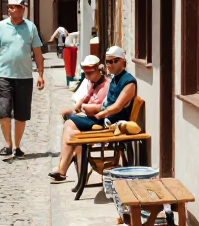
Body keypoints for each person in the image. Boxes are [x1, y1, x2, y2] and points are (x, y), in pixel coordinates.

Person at [49, 46, 136, 181]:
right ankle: (72, 162)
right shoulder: (115, 78)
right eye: (108, 61)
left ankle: (70, 164)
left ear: (123, 61)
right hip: (105, 116)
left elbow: (117, 107)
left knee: (70, 124)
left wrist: (99, 114)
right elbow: (107, 103)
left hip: (112, 121)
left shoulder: (128, 81)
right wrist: (96, 109)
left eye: (115, 61)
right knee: (70, 126)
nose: (110, 64)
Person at [0, 0, 44, 158]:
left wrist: (40, 74)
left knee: (21, 114)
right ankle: (8, 145)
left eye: (18, 7)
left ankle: (17, 146)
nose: (14, 10)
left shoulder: (31, 27)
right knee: (4, 111)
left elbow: (37, 52)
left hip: (25, 76)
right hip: (4, 75)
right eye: (12, 7)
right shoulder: (0, 27)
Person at [50, 55, 110, 180]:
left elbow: (100, 107)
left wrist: (82, 107)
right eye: (86, 73)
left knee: (69, 124)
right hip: (89, 114)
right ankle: (68, 163)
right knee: (69, 123)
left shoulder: (105, 86)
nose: (87, 76)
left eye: (89, 73)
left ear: (97, 70)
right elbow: (87, 98)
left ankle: (62, 167)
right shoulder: (91, 82)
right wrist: (81, 105)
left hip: (97, 118)